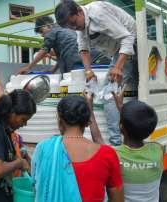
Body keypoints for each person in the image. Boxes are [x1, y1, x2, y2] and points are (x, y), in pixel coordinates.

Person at [55, 0, 138, 146]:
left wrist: (118, 66)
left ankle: (116, 144)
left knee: (109, 93)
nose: (74, 28)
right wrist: (88, 71)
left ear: (79, 11)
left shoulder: (98, 14)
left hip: (132, 43)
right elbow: (83, 48)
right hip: (116, 50)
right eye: (70, 27)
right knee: (113, 89)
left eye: (74, 23)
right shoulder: (80, 25)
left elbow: (127, 37)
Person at [32, 95, 123, 202]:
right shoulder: (107, 154)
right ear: (87, 122)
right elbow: (117, 199)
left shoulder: (43, 148)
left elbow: (36, 187)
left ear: (60, 120)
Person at [87, 91, 163, 202]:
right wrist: (121, 108)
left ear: (121, 127)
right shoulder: (158, 150)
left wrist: (89, 108)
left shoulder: (113, 155)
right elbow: (137, 126)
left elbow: (97, 139)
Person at [0, 89, 35, 202]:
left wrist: (19, 160)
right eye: (23, 120)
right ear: (12, 113)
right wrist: (18, 163)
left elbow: (5, 157)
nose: (24, 124)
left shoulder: (6, 130)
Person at [18, 16, 110, 74]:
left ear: (48, 25)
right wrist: (53, 70)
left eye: (42, 31)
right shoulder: (65, 30)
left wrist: (28, 67)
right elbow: (62, 55)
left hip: (86, 61)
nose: (42, 35)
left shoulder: (52, 32)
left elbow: (44, 50)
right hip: (96, 58)